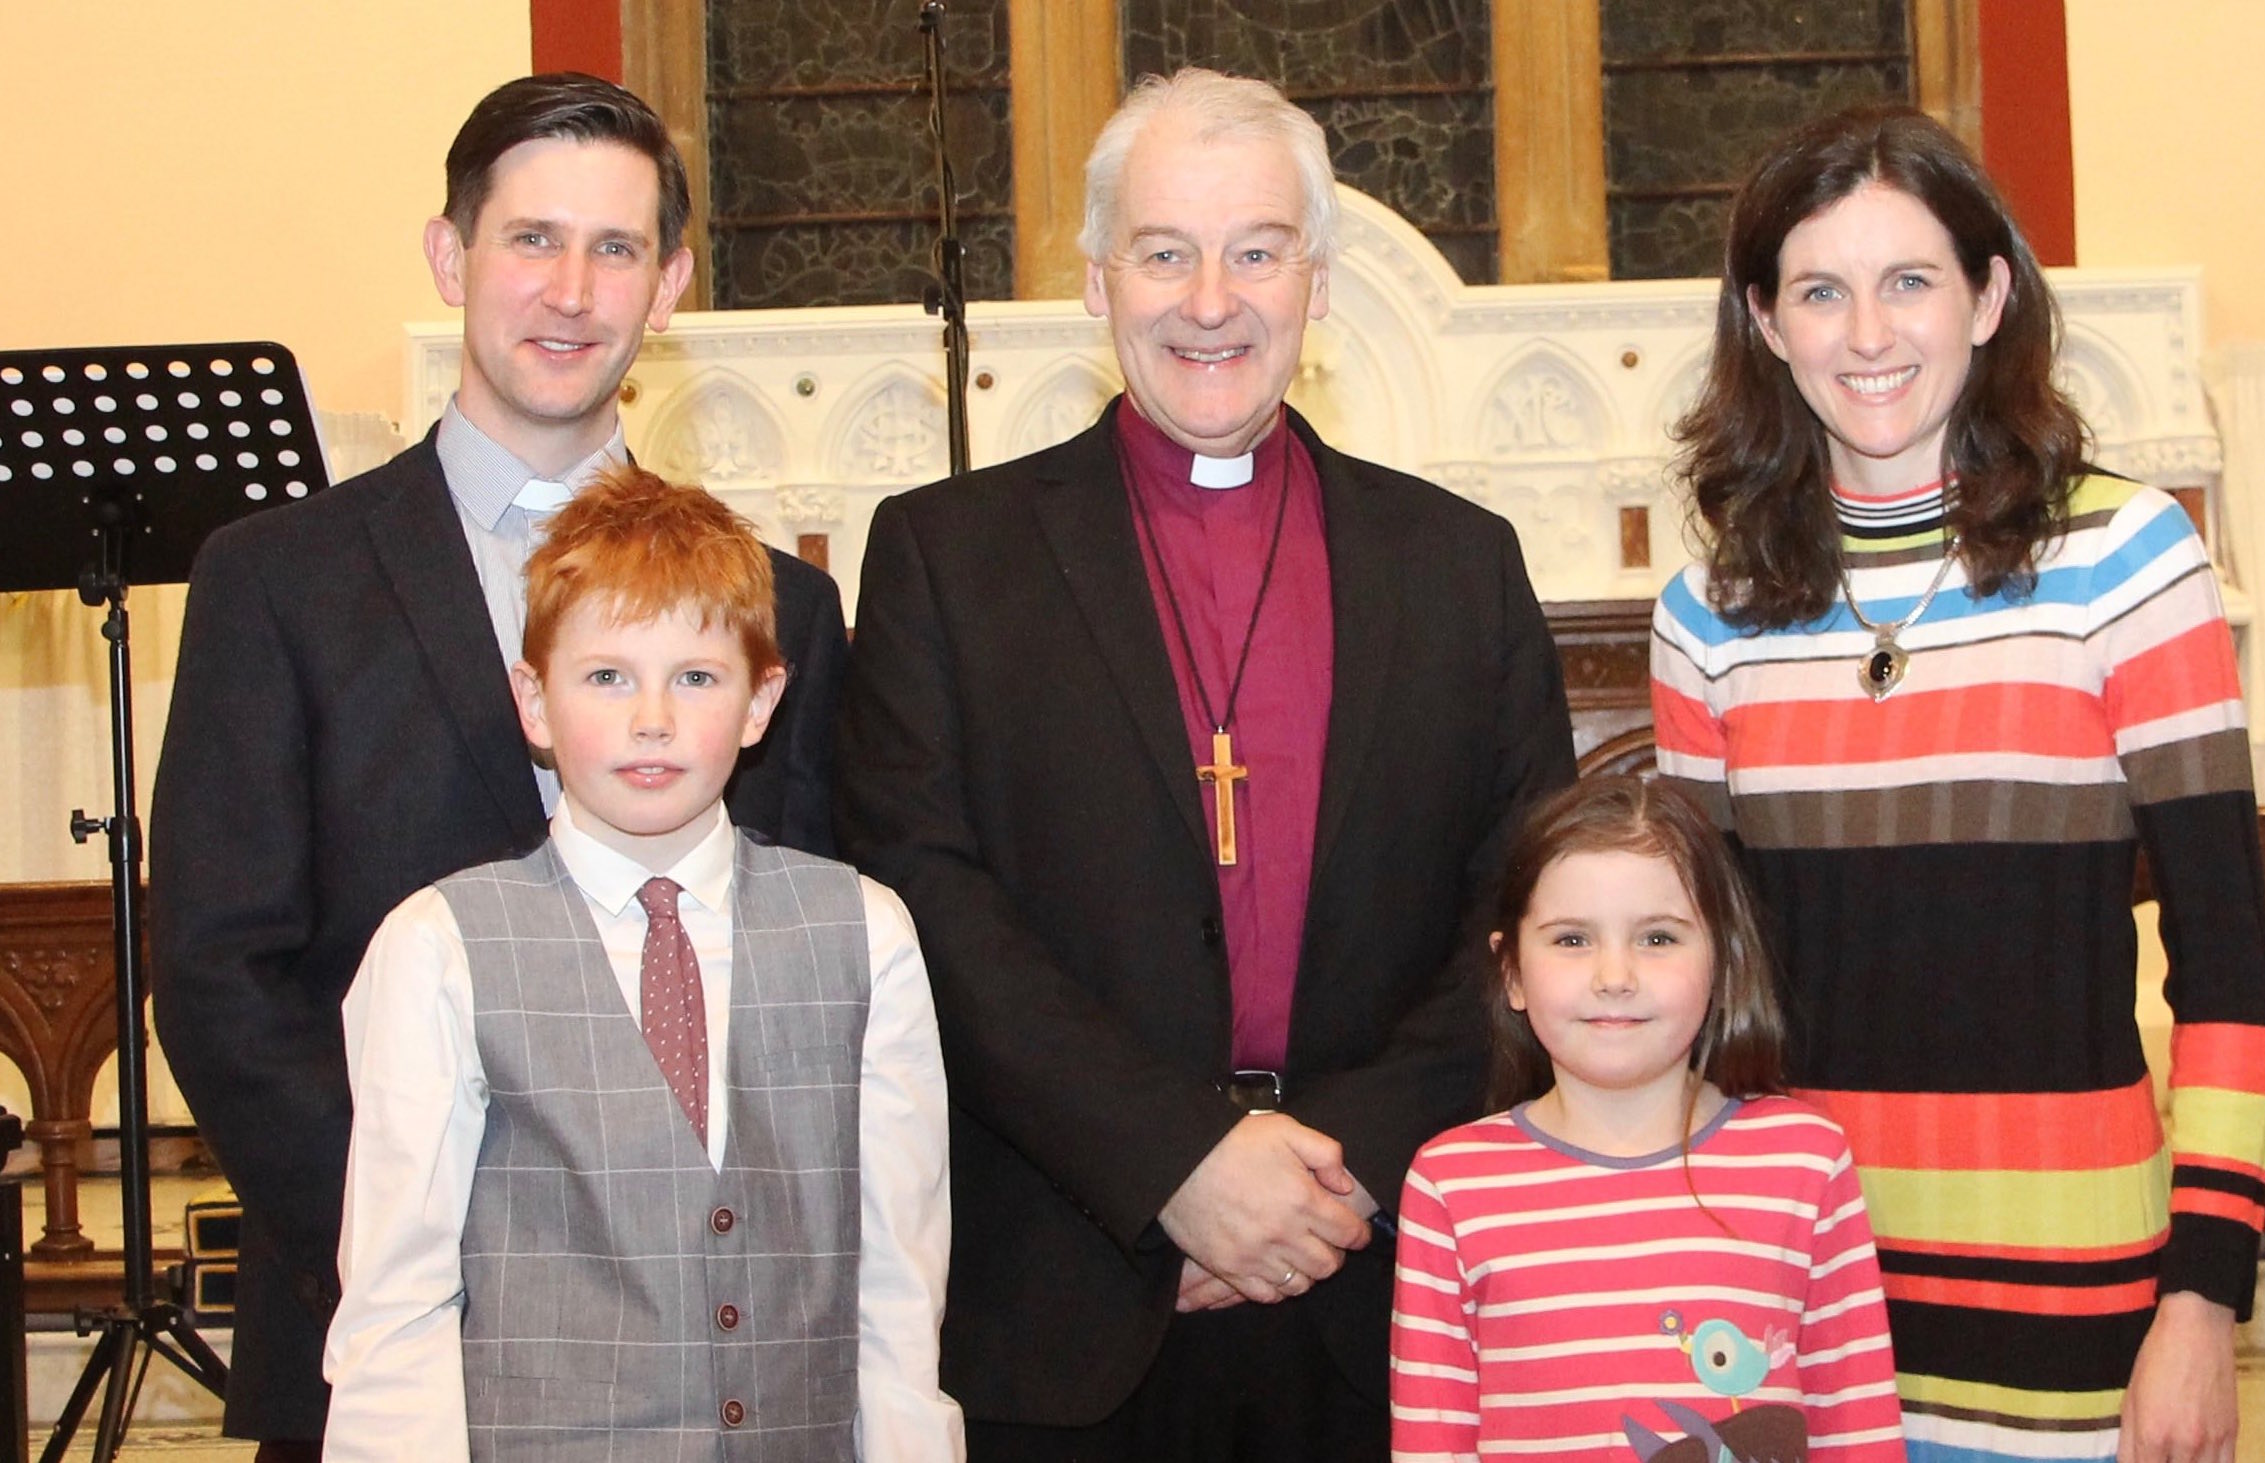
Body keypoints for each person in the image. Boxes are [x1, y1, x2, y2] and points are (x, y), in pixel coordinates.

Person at [834, 67, 1575, 1463]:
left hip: (1376, 1288)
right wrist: (1171, 1162)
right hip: (1062, 1287)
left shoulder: (1455, 566)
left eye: (1255, 249)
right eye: (1163, 252)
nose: (1208, 299)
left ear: (1318, 278)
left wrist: (1319, 1177)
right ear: (1095, 280)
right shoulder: (949, 556)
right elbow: (918, 898)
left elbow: (1520, 908)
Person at [150, 73, 849, 1457]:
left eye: (616, 248)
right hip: (392, 1320)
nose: (570, 289)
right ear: (451, 254)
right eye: (531, 238)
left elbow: (801, 963)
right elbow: (222, 971)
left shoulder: (780, 606)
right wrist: (411, 1247)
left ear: (671, 286)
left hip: (714, 1341)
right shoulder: (275, 581)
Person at [1649, 106, 2265, 1463]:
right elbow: (1703, 985)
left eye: (1908, 281)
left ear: (1988, 295)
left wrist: (2199, 1299)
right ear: (1762, 320)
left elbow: (2228, 963)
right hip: (1789, 1291)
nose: (1866, 333)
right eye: (1818, 289)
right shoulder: (1707, 610)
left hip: (2069, 1304)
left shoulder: (2123, 556)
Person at [319, 468, 958, 1462]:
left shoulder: (866, 932)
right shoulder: (439, 946)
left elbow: (897, 1285)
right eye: (607, 675)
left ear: (762, 700)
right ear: (533, 698)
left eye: (696, 676)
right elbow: (397, 1303)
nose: (651, 717)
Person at [1391, 776, 1905, 1463]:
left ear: (1721, 959)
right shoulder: (1451, 1184)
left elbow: (1857, 1428)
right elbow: (1432, 1444)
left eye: (1657, 937)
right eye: (1571, 939)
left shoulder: (1804, 1161)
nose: (1614, 974)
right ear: (1511, 970)